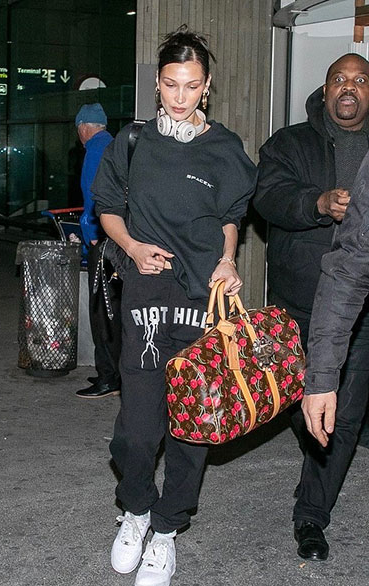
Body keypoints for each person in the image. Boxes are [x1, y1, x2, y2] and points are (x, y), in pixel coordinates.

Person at [92, 25, 257, 586]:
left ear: (206, 85)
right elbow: (107, 205)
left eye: (191, 85)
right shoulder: (133, 141)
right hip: (146, 295)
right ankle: (136, 509)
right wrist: (134, 248)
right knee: (137, 431)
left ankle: (166, 529)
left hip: (200, 298)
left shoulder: (224, 147)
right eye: (170, 84)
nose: (180, 96)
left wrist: (228, 260)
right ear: (157, 84)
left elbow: (231, 216)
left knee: (191, 426)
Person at [254, 53, 369, 561]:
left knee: (345, 412)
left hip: (361, 312)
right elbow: (266, 196)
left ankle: (312, 514)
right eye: (339, 79)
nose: (349, 87)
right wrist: (317, 203)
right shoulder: (290, 143)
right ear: (325, 91)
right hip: (300, 303)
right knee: (301, 401)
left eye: (360, 80)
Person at [302, 148, 369, 552]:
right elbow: (350, 269)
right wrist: (322, 377)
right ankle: (311, 512)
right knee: (340, 418)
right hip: (346, 311)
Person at [75, 103, 122, 399]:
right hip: (119, 241)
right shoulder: (116, 145)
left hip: (103, 241)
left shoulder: (95, 150)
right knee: (114, 308)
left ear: (83, 127)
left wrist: (92, 236)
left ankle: (108, 377)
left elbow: (95, 198)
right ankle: (116, 370)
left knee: (100, 311)